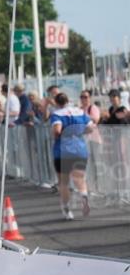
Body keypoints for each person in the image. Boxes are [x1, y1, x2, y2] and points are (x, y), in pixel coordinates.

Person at [50, 92, 94, 220]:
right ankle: (84, 196)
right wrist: (79, 132)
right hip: (79, 149)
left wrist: (60, 134)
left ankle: (67, 210)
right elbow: (91, 128)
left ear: (57, 102)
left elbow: (57, 130)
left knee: (64, 182)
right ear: (68, 100)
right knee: (79, 178)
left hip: (62, 151)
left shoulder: (57, 114)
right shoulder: (79, 112)